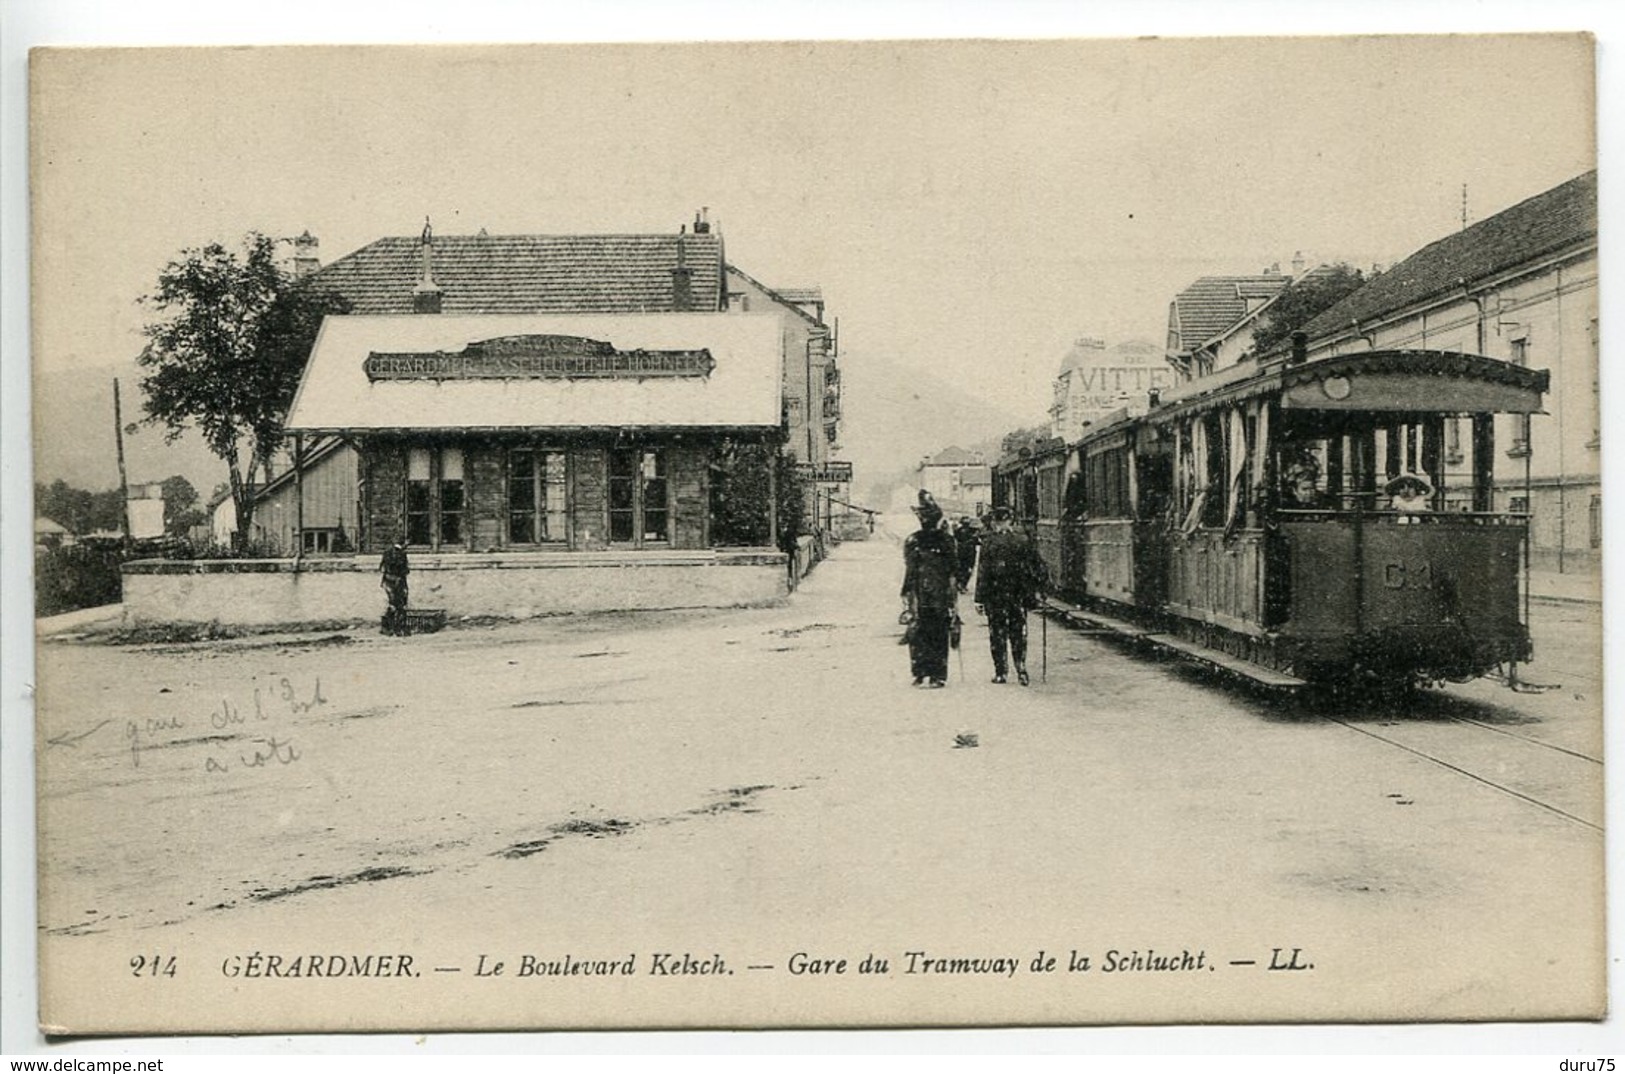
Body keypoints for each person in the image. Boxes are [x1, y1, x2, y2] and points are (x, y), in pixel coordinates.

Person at [974, 506, 1046, 685]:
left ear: (994, 522)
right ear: (1011, 521)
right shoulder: (1022, 540)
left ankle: (1001, 672)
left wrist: (979, 599)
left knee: (997, 634)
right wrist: (1040, 588)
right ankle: (1021, 668)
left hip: (995, 595)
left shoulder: (988, 543)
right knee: (1018, 632)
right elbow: (1038, 566)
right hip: (1017, 594)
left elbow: (983, 573)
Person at [900, 490, 959, 688]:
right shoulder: (914, 541)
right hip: (919, 593)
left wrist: (953, 598)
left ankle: (937, 674)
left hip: (939, 594)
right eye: (923, 517)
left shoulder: (945, 541)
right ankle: (920, 672)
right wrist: (906, 593)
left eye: (928, 517)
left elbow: (953, 570)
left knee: (938, 633)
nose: (925, 521)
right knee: (918, 633)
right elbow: (910, 569)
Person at [380, 539, 410, 635]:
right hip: (398, 582)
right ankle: (398, 628)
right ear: (403, 543)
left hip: (387, 581)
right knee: (400, 605)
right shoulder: (401, 554)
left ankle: (387, 628)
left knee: (392, 604)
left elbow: (381, 567)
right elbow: (404, 570)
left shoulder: (387, 552)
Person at [953, 515, 979, 593]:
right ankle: (962, 585)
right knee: (968, 569)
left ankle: (960, 584)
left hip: (961, 552)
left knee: (961, 568)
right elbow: (977, 541)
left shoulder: (958, 530)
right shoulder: (972, 532)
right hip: (969, 553)